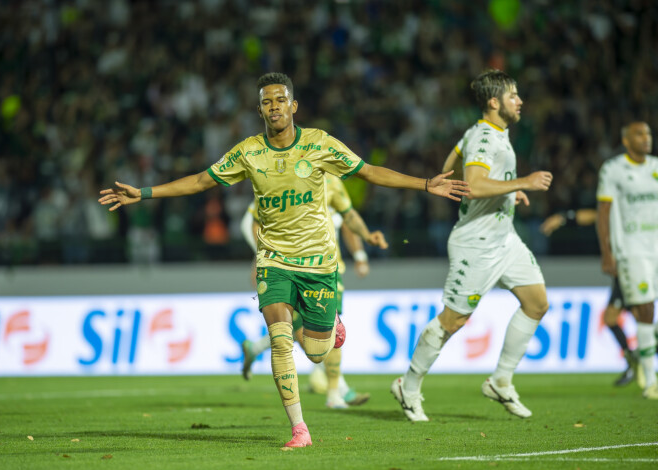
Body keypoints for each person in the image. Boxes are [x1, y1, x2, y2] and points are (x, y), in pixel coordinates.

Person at [99, 72, 470, 447]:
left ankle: (331, 327)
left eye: (280, 100)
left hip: (319, 265)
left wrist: (425, 184)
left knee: (314, 354)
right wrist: (143, 194)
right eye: (266, 102)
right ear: (259, 109)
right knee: (279, 341)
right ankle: (299, 429)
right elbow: (200, 182)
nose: (274, 107)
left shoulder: (319, 144)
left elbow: (370, 172)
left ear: (293, 106)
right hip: (274, 261)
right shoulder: (248, 152)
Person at [392, 69, 553, 422]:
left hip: (504, 239)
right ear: (494, 102)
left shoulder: (485, 134)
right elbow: (476, 185)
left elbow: (451, 162)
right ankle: (409, 385)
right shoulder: (485, 138)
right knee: (453, 321)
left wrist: (511, 188)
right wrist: (522, 181)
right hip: (476, 244)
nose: (520, 101)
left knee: (537, 303)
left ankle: (500, 381)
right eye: (513, 96)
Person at [240, 173, 384, 409]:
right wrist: (261, 256)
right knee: (302, 338)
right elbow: (252, 222)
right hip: (290, 269)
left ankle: (336, 392)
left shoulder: (333, 183)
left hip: (328, 270)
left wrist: (362, 249)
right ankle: (257, 349)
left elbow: (347, 218)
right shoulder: (283, 178)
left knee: (329, 330)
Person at [541, 210, 641, 387]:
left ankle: (639, 365)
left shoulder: (632, 212)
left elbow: (595, 215)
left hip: (635, 269)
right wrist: (563, 218)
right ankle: (634, 362)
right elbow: (594, 215)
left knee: (640, 320)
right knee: (612, 318)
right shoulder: (613, 212)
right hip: (623, 272)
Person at [596, 121, 658, 400]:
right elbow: (603, 212)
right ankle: (650, 379)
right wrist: (607, 252)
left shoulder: (656, 166)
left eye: (647, 133)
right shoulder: (613, 169)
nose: (646, 138)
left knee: (645, 315)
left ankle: (642, 362)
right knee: (645, 310)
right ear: (625, 140)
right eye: (639, 134)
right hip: (632, 250)